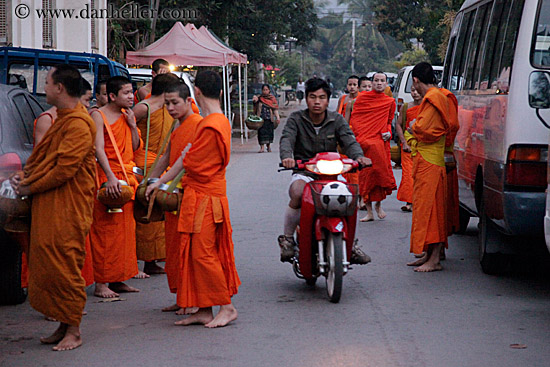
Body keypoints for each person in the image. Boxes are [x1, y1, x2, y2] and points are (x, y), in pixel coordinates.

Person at [10, 64, 97, 351]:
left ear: (60, 88)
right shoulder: (62, 120)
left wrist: (30, 186)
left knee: (65, 265)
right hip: (50, 205)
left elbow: (64, 170)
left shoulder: (80, 124)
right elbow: (44, 157)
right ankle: (62, 323)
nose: (44, 88)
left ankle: (74, 329)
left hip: (68, 207)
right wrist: (26, 175)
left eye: (47, 83)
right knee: (48, 265)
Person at [155, 70, 240, 327]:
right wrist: (161, 182)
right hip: (199, 195)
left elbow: (194, 162)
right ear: (222, 92)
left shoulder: (213, 123)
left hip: (205, 197)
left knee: (204, 254)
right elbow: (188, 157)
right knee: (194, 253)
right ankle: (204, 309)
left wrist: (164, 181)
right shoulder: (211, 121)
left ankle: (226, 306)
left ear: (197, 92)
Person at [279, 78, 372, 264]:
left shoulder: (336, 120)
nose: (317, 101)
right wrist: (287, 157)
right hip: (304, 172)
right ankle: (288, 239)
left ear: (328, 100)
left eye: (322, 97)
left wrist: (359, 156)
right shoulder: (296, 119)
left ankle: (351, 244)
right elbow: (286, 139)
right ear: (306, 98)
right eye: (312, 97)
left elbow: (349, 140)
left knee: (350, 197)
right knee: (296, 192)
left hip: (331, 174)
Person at [144, 79, 203, 315]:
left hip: (189, 193)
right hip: (172, 193)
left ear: (189, 101)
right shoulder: (177, 125)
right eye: (167, 103)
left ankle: (194, 300)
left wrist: (164, 182)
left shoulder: (199, 124)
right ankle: (181, 296)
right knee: (174, 248)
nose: (170, 108)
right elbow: (167, 157)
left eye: (175, 103)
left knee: (189, 249)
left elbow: (191, 162)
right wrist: (148, 182)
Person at [89, 76, 141, 297]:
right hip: (107, 178)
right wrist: (110, 177)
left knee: (125, 232)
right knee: (105, 232)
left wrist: (132, 125)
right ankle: (101, 282)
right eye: (127, 93)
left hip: (126, 178)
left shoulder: (125, 116)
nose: (131, 97)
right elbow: (98, 149)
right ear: (112, 96)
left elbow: (134, 146)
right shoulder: (98, 116)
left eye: (132, 93)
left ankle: (119, 278)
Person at [132, 73, 181, 277]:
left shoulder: (170, 109)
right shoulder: (144, 107)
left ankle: (153, 260)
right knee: (145, 214)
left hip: (162, 163)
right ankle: (137, 261)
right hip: (143, 161)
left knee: (160, 215)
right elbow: (127, 129)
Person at [406, 62, 450, 272]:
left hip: (431, 160)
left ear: (415, 79)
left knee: (432, 210)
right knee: (425, 209)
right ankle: (428, 253)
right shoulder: (435, 97)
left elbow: (423, 128)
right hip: (426, 158)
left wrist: (414, 127)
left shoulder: (435, 98)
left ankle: (435, 259)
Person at [350, 72, 397, 222]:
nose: (378, 83)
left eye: (382, 81)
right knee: (366, 176)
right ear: (372, 82)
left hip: (379, 142)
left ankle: (378, 204)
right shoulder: (362, 98)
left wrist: (388, 133)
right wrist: (360, 137)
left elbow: (389, 122)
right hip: (365, 141)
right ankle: (369, 210)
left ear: (386, 83)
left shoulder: (390, 102)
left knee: (380, 174)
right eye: (376, 80)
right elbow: (356, 119)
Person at [395, 85, 423, 212]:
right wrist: (404, 142)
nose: (415, 93)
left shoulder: (427, 106)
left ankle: (419, 202)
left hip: (423, 145)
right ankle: (409, 202)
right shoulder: (406, 107)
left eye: (417, 90)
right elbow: (399, 125)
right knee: (408, 174)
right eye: (412, 90)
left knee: (421, 174)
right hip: (408, 144)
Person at [253, 84, 281, 153]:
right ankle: (262, 147)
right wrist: (254, 101)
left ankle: (268, 146)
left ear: (269, 90)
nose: (265, 91)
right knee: (261, 133)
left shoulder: (272, 99)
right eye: (264, 90)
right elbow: (255, 105)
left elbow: (275, 109)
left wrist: (277, 117)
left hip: (269, 119)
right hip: (261, 119)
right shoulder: (259, 98)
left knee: (269, 133)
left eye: (266, 90)